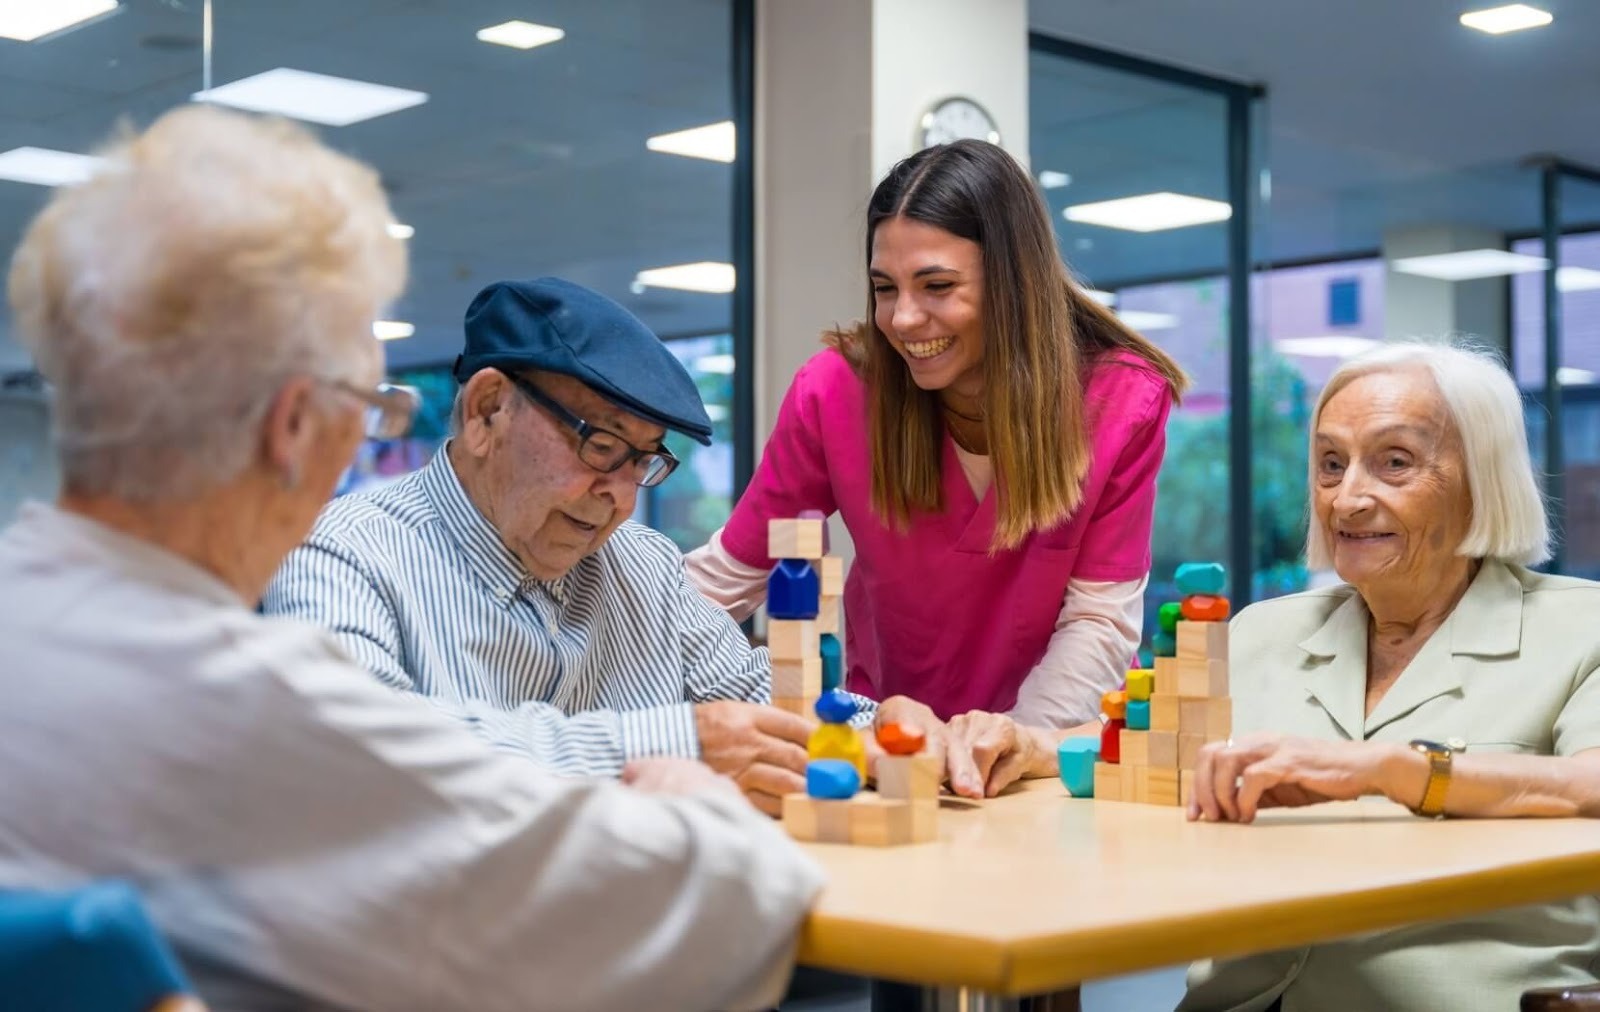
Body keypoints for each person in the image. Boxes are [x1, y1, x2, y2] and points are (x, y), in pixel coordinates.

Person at [0, 105, 821, 1011]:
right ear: (295, 425)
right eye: (371, 403)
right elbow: (714, 917)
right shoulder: (259, 711)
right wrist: (681, 789)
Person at [686, 139, 1188, 751]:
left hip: (1040, 749)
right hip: (893, 743)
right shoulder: (836, 392)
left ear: (1012, 284)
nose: (901, 319)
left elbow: (1098, 620)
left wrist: (1013, 742)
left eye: (937, 285)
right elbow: (726, 579)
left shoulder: (1119, 401)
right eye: (885, 288)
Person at [263, 277, 827, 814]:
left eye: (644, 461)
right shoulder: (340, 554)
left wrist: (880, 728)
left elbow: (767, 699)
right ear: (488, 411)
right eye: (602, 446)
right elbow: (362, 752)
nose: (622, 501)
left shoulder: (643, 565)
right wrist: (676, 742)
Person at [1176, 343, 1600, 1011]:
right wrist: (1032, 746)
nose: (1347, 499)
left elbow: (1589, 785)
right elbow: (1139, 737)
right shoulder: (1264, 631)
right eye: (1331, 464)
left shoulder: (1584, 628)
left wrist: (1387, 770)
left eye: (1394, 463)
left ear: (1481, 479)